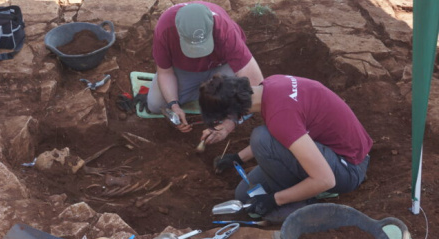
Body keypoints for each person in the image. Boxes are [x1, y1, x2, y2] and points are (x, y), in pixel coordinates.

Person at [198, 74, 372, 223]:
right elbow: (284, 135)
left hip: (348, 167)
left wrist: (275, 200)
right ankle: (294, 192)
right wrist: (237, 158)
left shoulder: (281, 116)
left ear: (232, 113)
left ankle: (301, 205)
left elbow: (326, 180)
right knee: (245, 196)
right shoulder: (271, 85)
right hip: (331, 152)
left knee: (261, 138)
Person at [136, 1, 263, 133]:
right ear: (179, 32)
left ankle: (205, 94)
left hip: (221, 67)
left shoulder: (225, 29)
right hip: (184, 70)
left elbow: (255, 84)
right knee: (156, 105)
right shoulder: (165, 29)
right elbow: (165, 72)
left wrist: (230, 122)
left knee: (249, 100)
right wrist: (174, 105)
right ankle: (206, 94)